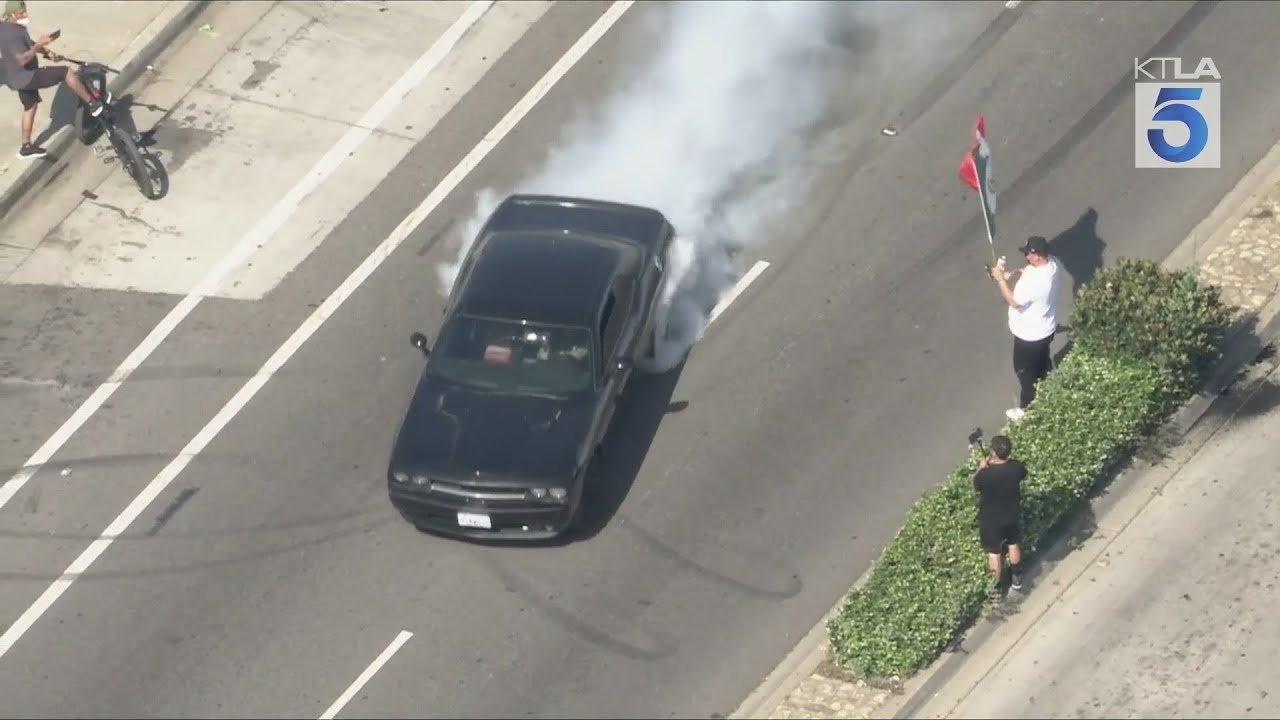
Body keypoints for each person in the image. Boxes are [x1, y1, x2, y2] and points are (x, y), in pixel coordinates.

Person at [0, 0, 104, 159]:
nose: (25, 15)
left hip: (15, 78)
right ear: (12, 15)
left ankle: (26, 147)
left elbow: (28, 44)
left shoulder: (7, 26)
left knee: (30, 105)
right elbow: (21, 60)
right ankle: (92, 103)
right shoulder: (12, 34)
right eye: (21, 13)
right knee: (66, 72)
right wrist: (38, 45)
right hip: (27, 76)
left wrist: (45, 51)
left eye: (25, 11)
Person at [989, 235, 1061, 422]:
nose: (1026, 257)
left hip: (1029, 337)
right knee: (1042, 362)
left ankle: (1026, 409)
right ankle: (1048, 382)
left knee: (1024, 371)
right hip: (1046, 330)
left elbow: (1013, 301)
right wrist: (1012, 274)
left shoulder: (1036, 283)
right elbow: (1026, 270)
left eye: (1029, 254)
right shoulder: (1051, 265)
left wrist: (1000, 281)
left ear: (1037, 256)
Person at [972, 434, 1026, 590]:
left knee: (994, 552)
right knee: (1013, 543)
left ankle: (995, 587)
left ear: (994, 453)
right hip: (1011, 514)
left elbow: (975, 485)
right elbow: (1023, 474)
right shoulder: (1016, 467)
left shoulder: (985, 474)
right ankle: (1017, 577)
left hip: (991, 519)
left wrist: (981, 468)